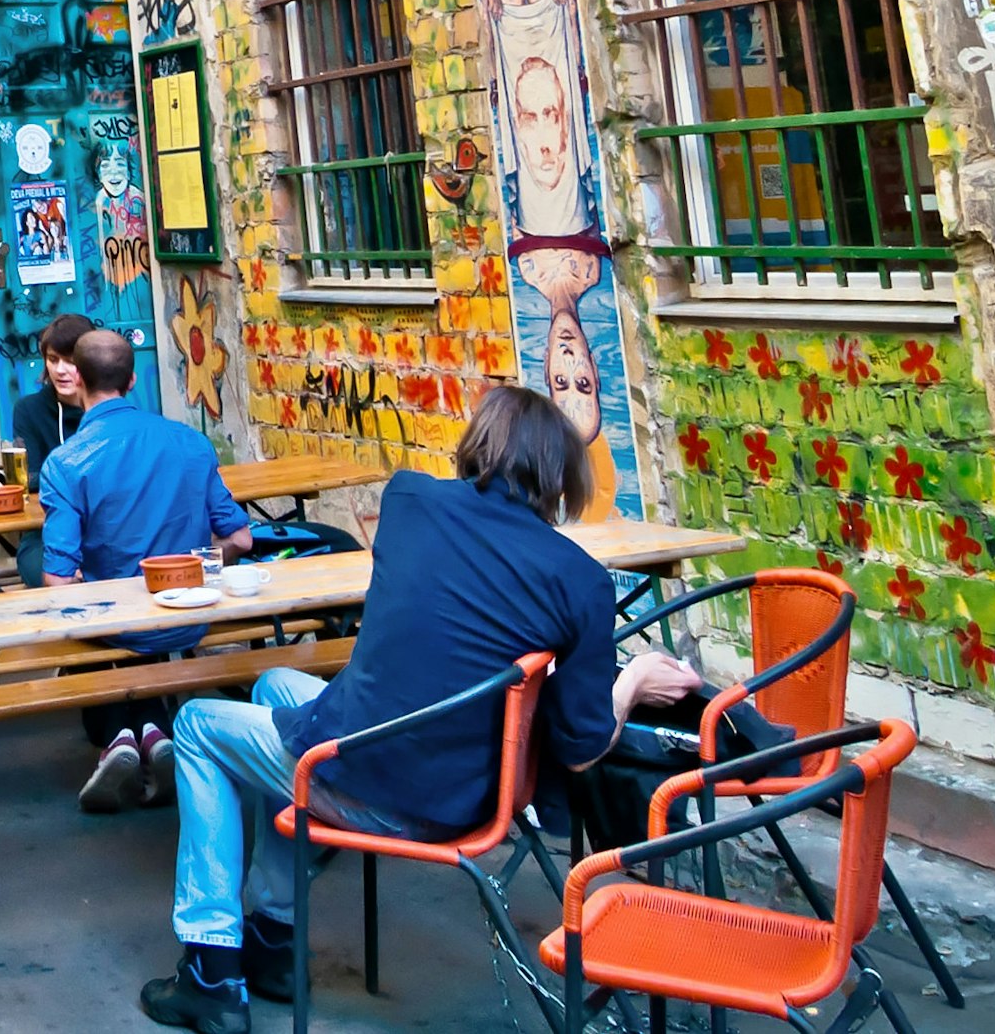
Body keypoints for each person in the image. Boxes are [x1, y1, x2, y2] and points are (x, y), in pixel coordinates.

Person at [139, 384, 707, 1034]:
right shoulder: (580, 579)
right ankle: (272, 940)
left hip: (373, 784)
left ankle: (210, 969)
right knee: (274, 686)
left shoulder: (409, 500)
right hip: (463, 794)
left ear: (478, 446)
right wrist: (632, 680)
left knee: (194, 725)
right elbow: (582, 745)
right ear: (562, 475)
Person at [35, 327, 254, 813]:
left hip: (115, 623)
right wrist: (192, 570)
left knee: (88, 625)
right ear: (133, 381)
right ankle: (153, 729)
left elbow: (57, 580)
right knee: (137, 624)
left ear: (79, 383)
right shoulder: (190, 442)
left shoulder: (65, 463)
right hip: (187, 614)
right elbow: (240, 538)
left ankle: (119, 737)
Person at [13, 312, 100, 480]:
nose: (60, 370)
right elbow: (30, 478)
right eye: (53, 359)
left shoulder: (106, 408)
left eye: (70, 361)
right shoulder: (29, 410)